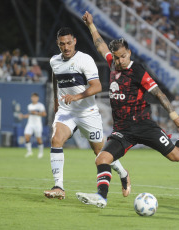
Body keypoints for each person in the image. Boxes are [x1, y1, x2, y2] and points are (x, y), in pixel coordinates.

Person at [75, 11, 179, 208]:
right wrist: (91, 26)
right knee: (102, 158)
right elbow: (100, 45)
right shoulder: (112, 63)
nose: (120, 61)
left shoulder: (137, 70)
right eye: (117, 57)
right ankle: (101, 197)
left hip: (144, 125)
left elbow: (158, 93)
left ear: (129, 53)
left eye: (123, 56)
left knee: (176, 156)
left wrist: (174, 116)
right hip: (122, 130)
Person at [43, 27, 131, 200]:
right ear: (58, 44)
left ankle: (123, 173)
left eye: (69, 43)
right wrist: (55, 100)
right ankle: (58, 186)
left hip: (87, 112)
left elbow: (97, 87)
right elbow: (55, 77)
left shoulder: (85, 60)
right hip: (66, 111)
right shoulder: (54, 61)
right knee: (56, 139)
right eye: (62, 44)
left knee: (100, 153)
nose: (66, 47)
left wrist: (75, 97)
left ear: (74, 41)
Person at [20, 92, 47, 159]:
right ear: (31, 98)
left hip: (37, 124)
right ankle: (29, 152)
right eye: (33, 97)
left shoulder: (40, 105)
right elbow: (29, 115)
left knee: (38, 139)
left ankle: (41, 152)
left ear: (37, 98)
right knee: (26, 136)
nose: (34, 98)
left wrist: (36, 113)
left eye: (35, 97)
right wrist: (23, 116)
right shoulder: (29, 106)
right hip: (30, 124)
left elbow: (44, 114)